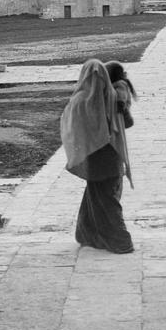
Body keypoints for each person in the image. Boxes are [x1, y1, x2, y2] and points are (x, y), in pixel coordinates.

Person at [60, 58, 134, 254]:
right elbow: (127, 123)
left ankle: (121, 241)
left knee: (103, 198)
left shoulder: (80, 99)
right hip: (113, 154)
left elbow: (70, 128)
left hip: (94, 157)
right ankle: (88, 234)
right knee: (102, 196)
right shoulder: (114, 96)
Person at [105, 60, 137, 129]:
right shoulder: (116, 84)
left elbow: (121, 95)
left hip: (121, 115)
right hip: (118, 115)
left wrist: (120, 104)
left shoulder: (120, 83)